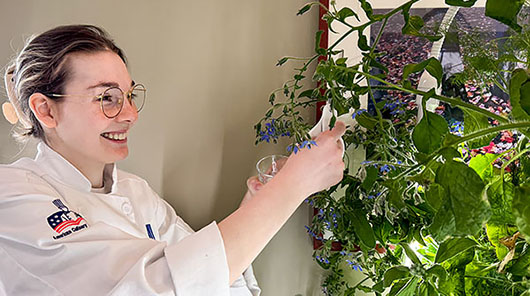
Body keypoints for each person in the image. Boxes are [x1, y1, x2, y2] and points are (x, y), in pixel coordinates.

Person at [0, 25, 346, 295]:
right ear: (46, 110)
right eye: (107, 98)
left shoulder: (137, 193)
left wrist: (259, 200)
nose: (130, 115)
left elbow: (214, 282)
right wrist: (291, 187)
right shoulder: (12, 196)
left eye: (130, 96)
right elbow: (157, 288)